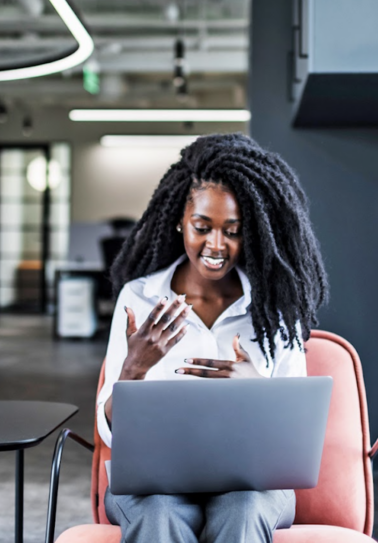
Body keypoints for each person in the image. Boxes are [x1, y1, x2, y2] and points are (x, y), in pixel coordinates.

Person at [97, 133, 328, 543]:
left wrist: (257, 386)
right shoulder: (141, 298)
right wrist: (135, 367)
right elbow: (109, 430)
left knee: (244, 508)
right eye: (202, 227)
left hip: (251, 488)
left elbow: (295, 433)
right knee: (157, 513)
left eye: (233, 231)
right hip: (155, 488)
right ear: (180, 222)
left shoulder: (275, 307)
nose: (216, 245)